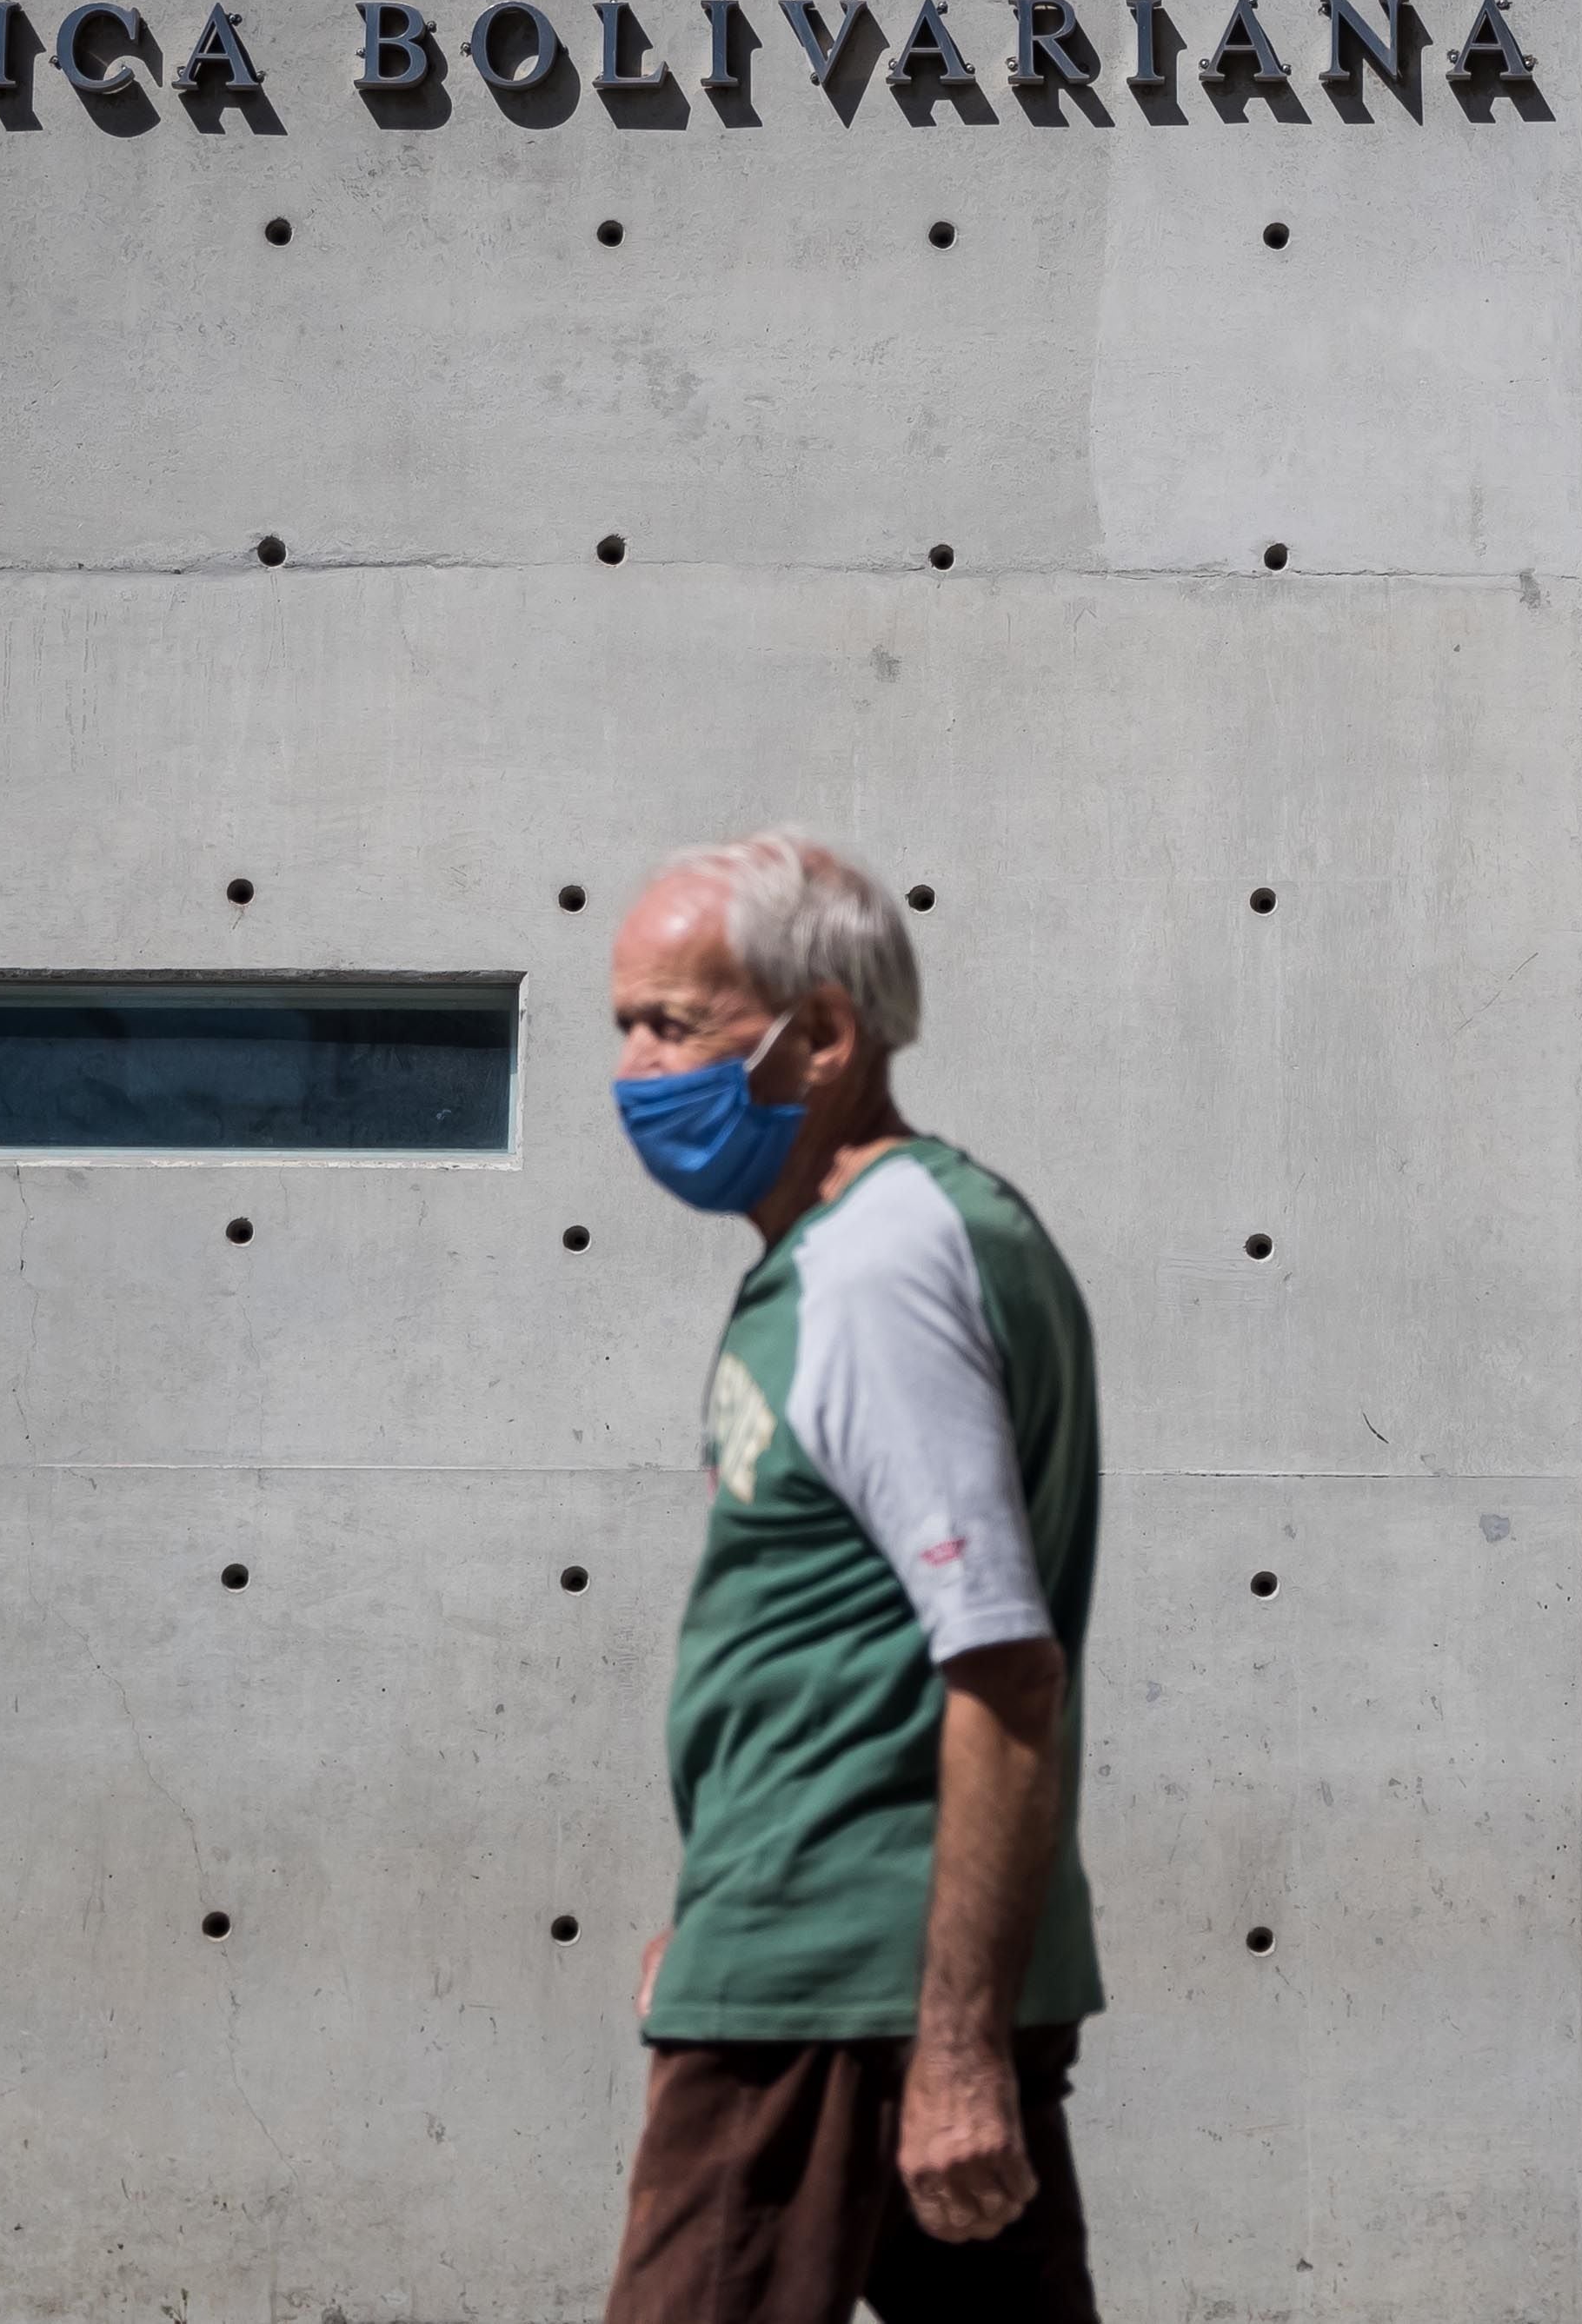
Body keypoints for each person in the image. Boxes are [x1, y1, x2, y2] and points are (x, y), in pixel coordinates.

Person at [597, 830, 1106, 2324]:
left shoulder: (880, 1260)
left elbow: (1001, 1659)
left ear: (821, 1034)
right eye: (623, 1024)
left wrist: (950, 2051)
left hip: (837, 1986)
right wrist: (717, 1899)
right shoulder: (867, 1242)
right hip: (821, 1939)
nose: (634, 1069)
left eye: (675, 1025)